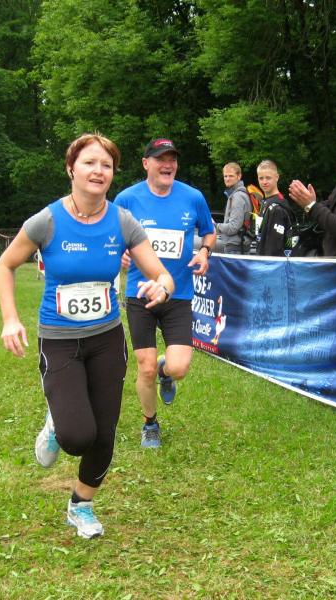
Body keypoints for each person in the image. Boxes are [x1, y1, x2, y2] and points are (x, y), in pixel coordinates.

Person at [0, 132, 174, 540]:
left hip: (107, 339)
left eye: (106, 165)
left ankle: (81, 505)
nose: (98, 171)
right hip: (59, 340)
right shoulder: (47, 221)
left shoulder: (122, 221)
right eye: (89, 163)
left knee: (104, 435)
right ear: (70, 169)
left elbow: (161, 272)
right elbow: (6, 265)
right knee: (77, 436)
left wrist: (162, 287)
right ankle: (57, 423)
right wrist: (10, 318)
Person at [115, 138, 216, 449]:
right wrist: (119, 254)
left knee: (179, 368)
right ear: (146, 163)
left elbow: (209, 231)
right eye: (160, 159)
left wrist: (205, 252)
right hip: (140, 293)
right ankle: (150, 423)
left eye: (172, 159)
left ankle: (165, 370)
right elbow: (110, 236)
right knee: (144, 366)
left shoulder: (192, 197)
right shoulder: (127, 198)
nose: (168, 164)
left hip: (178, 294)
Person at [254, 160, 299, 256]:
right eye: (261, 178)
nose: (264, 182)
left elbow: (273, 249)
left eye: (268, 178)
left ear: (277, 177)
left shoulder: (277, 208)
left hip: (271, 263)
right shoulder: (266, 202)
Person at [216, 162, 251, 254]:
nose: (227, 179)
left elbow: (233, 227)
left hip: (235, 247)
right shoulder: (241, 193)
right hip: (240, 245)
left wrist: (215, 226)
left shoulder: (237, 196)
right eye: (225, 176)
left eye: (231, 176)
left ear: (239, 176)